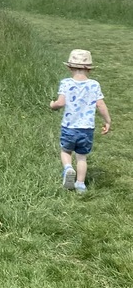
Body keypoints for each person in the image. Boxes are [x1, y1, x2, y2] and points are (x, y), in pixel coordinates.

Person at [49, 49, 111, 192]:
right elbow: (100, 104)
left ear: (69, 67)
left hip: (69, 127)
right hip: (87, 128)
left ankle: (68, 168)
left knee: (66, 151)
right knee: (82, 156)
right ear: (89, 69)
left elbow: (60, 103)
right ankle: (80, 184)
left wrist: (53, 105)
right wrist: (107, 120)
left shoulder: (66, 83)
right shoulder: (94, 84)